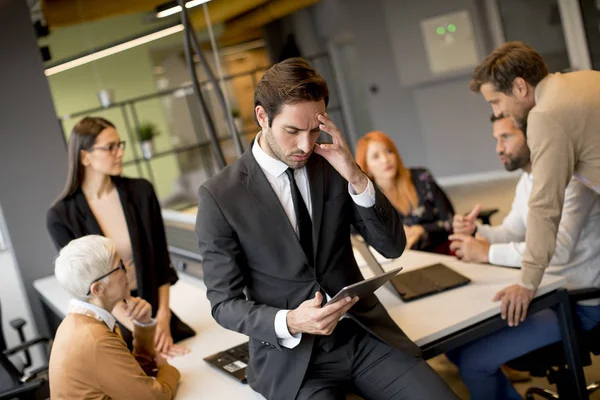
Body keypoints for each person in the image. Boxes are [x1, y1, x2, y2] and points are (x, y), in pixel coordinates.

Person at [195, 58, 457, 400]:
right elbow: (223, 304)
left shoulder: (333, 164)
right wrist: (289, 321)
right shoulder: (220, 196)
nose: (306, 145)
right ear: (262, 117)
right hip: (294, 362)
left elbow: (392, 247)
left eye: (314, 129)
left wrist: (357, 176)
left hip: (363, 337)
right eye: (292, 131)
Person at [446, 115, 600, 400]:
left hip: (579, 305)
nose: (498, 148)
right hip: (546, 294)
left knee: (474, 364)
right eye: (496, 139)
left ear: (534, 136)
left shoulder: (574, 180)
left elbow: (558, 248)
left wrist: (486, 252)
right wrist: (477, 231)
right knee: (456, 346)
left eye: (506, 137)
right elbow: (512, 231)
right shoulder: (528, 179)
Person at [469, 41, 600, 327]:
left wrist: (527, 283)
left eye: (496, 101)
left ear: (519, 87)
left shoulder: (545, 115)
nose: (499, 111)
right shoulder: (585, 78)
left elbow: (544, 207)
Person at [46, 117, 192, 356]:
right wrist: (142, 329)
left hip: (155, 310)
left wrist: (162, 317)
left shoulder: (141, 191)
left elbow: (160, 262)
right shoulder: (61, 216)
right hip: (113, 321)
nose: (119, 153)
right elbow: (88, 288)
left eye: (119, 145)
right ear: (85, 157)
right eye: (109, 147)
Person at [49, 235, 180, 399]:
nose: (129, 271)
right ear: (98, 289)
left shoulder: (83, 321)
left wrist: (143, 325)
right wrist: (168, 369)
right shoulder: (96, 339)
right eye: (120, 267)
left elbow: (135, 373)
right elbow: (154, 397)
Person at [355, 131, 454, 253]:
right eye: (376, 156)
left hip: (442, 253)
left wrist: (422, 230)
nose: (385, 160)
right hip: (403, 261)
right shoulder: (368, 198)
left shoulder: (422, 177)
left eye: (389, 151)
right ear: (367, 167)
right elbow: (359, 236)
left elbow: (450, 221)